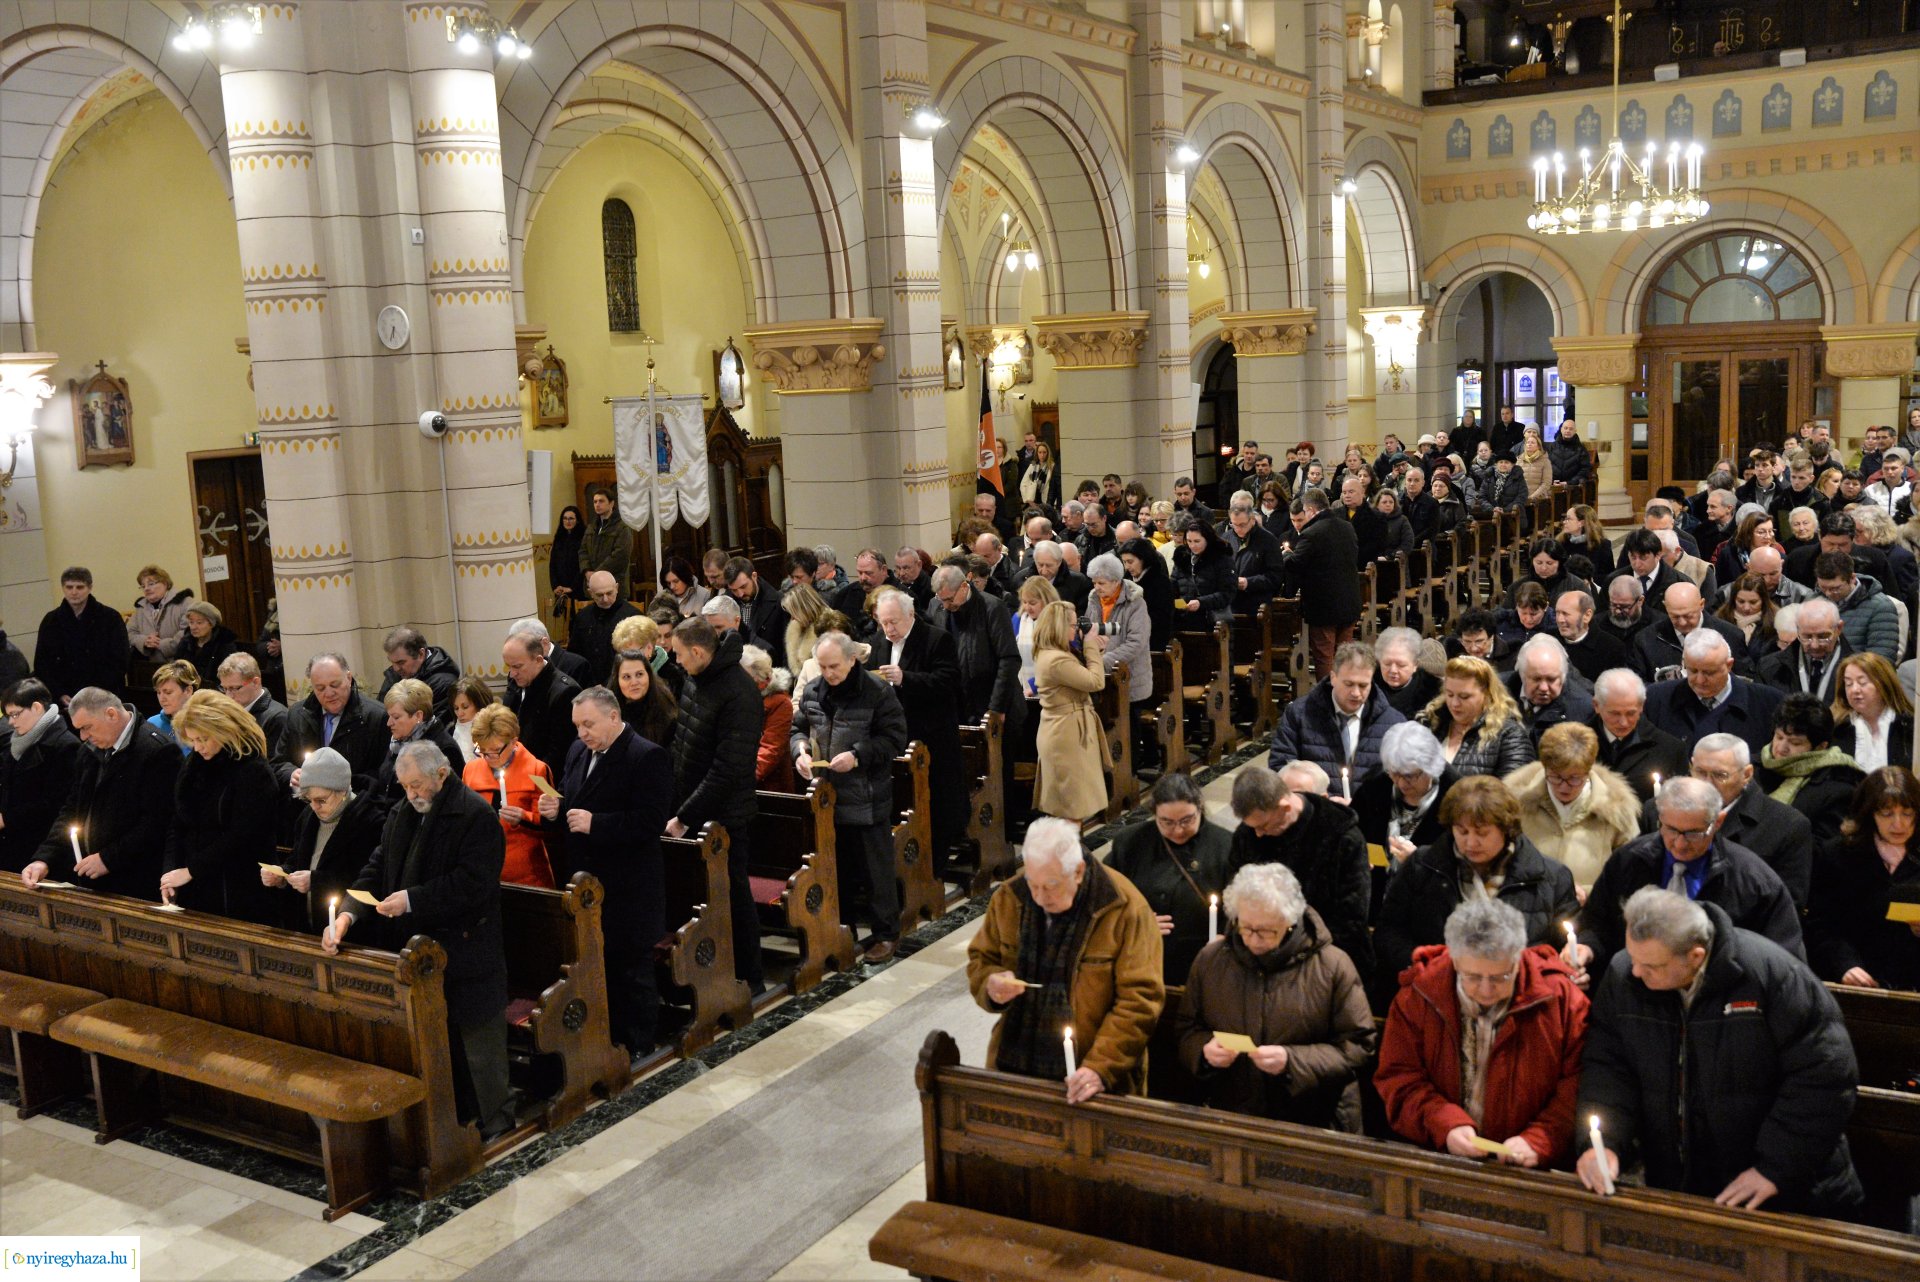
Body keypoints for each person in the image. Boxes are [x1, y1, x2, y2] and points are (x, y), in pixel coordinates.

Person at [1576, 888, 1862, 1217]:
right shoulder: (1624, 974)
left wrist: (1775, 1168)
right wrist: (1605, 1143)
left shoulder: (1773, 977)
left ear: (1696, 956)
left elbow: (1825, 1076)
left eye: (1651, 965)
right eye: (1633, 957)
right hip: (1677, 1185)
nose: (1636, 972)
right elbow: (1608, 1067)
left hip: (1785, 1192)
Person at [327, 742, 514, 1139]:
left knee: (475, 1048)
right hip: (417, 953)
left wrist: (412, 900)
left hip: (465, 952)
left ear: (442, 775)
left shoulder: (476, 817)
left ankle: (492, 1120)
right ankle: (448, 1121)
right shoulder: (402, 813)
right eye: (404, 785)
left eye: (417, 785)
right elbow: (378, 867)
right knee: (435, 1046)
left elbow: (472, 885)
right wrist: (347, 912)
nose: (411, 794)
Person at [1376, 898, 1588, 1169]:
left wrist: (1542, 1138)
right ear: (1454, 961)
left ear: (1519, 958)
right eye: (1473, 977)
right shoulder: (1419, 996)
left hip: (1530, 1169)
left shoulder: (1561, 1000)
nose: (1486, 991)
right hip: (1440, 1159)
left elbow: (1577, 1084)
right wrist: (1444, 1124)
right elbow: (1400, 1077)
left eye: (1501, 977)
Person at [967, 817, 1164, 1102]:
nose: (1038, 896)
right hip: (1014, 1065)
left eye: (1050, 885)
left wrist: (1100, 1067)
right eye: (1032, 884)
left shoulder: (1124, 909)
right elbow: (981, 959)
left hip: (1095, 1080)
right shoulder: (1011, 897)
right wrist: (990, 984)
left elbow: (1140, 1000)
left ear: (1079, 871)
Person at [530, 686, 676, 1059]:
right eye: (577, 725)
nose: (582, 733)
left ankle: (642, 1044)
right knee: (598, 965)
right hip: (585, 881)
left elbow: (651, 820)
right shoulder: (579, 750)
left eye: (588, 724)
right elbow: (570, 798)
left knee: (631, 969)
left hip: (628, 884)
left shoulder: (646, 756)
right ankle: (607, 1040)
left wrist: (599, 824)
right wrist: (555, 809)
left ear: (614, 717)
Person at [1177, 862, 1375, 1129]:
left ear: (1291, 923)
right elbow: (1186, 1029)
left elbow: (1358, 1046)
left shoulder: (1332, 965)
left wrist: (1292, 1061)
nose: (1254, 940)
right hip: (1233, 1115)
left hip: (1314, 1120)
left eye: (1268, 931)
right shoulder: (1211, 960)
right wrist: (1204, 1052)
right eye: (1246, 928)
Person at [1373, 775, 1579, 1002]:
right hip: (1434, 994)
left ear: (1506, 829)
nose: (1470, 843)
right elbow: (1388, 931)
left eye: (1482, 833)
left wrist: (1570, 963)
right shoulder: (1423, 865)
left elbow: (1565, 946)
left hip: (1519, 999)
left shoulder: (1551, 877)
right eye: (1462, 832)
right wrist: (1423, 963)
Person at [1577, 777, 1802, 977]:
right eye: (1671, 830)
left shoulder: (1753, 879)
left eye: (1694, 833)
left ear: (1719, 822)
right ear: (1660, 817)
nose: (1680, 844)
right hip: (1638, 991)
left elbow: (1783, 959)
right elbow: (1597, 922)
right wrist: (1587, 948)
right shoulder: (1629, 860)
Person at [793, 632, 910, 962]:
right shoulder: (814, 690)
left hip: (866, 795)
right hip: (826, 797)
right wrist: (799, 751)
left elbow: (894, 738)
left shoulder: (877, 692)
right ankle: (843, 930)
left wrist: (857, 756)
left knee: (876, 871)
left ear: (852, 660)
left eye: (835, 667)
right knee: (835, 869)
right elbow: (798, 728)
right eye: (824, 667)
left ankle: (887, 934)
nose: (829, 674)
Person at [666, 618, 766, 993]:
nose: (675, 661)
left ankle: (750, 976)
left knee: (733, 895)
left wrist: (684, 816)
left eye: (678, 653)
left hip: (726, 816)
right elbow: (686, 741)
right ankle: (710, 968)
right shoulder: (699, 677)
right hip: (693, 806)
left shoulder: (739, 693)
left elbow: (728, 768)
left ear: (697, 651)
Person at [22, 688, 179, 899]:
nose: (83, 736)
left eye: (87, 727)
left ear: (111, 714)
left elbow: (157, 822)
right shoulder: (89, 751)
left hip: (134, 881)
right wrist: (44, 858)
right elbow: (72, 809)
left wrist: (108, 858)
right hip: (90, 876)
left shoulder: (157, 751)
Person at [1226, 766, 1373, 976]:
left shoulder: (1341, 836)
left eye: (1264, 825)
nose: (1257, 834)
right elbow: (1237, 893)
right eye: (1252, 827)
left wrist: (1295, 951)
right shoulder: (1248, 833)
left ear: (1285, 807)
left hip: (1326, 961)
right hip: (1262, 957)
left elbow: (1351, 916)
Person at [157, 690, 280, 924]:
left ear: (224, 731)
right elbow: (178, 820)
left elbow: (241, 836)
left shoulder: (253, 771)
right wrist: (170, 871)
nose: (197, 747)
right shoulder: (195, 763)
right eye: (192, 740)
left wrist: (190, 870)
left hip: (239, 888)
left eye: (203, 739)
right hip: (197, 884)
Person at [1103, 772, 1233, 982]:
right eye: (1167, 822)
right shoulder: (1130, 843)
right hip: (1141, 956)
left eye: (1186, 820)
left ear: (1199, 808)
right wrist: (1134, 922)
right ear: (1154, 814)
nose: (1178, 830)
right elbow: (1105, 895)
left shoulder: (1225, 845)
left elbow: (1242, 907)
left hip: (1202, 959)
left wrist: (1225, 937)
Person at [867, 588, 967, 861]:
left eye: (893, 622)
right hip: (896, 738)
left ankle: (935, 865)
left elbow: (948, 683)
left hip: (931, 738)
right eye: (883, 622)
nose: (888, 629)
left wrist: (905, 678)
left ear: (910, 614)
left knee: (936, 805)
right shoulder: (880, 641)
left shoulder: (936, 639)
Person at [1807, 766, 1920, 991]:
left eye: (1907, 813)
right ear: (1869, 814)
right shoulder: (1837, 855)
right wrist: (1845, 965)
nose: (1899, 824)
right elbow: (1819, 924)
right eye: (1887, 814)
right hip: (1858, 982)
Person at [1503, 722, 1641, 895]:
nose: (1564, 787)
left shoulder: (1616, 809)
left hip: (1590, 911)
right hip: (1529, 906)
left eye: (1574, 779)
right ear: (1545, 768)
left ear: (1588, 771)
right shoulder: (1515, 802)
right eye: (1555, 777)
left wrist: (1590, 893)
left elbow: (1629, 870)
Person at [262, 746, 385, 933]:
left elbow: (364, 879)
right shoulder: (308, 816)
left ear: (343, 791)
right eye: (308, 799)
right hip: (306, 926)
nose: (314, 807)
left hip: (350, 931)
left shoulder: (370, 822)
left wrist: (316, 881)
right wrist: (283, 876)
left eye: (321, 800)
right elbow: (297, 859)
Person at [1269, 640, 1404, 783]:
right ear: (1333, 678)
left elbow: (1404, 779)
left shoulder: (1394, 722)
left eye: (1363, 685)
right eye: (1349, 684)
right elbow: (1280, 769)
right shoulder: (1299, 714)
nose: (1356, 693)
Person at [1641, 629, 1783, 760]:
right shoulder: (1656, 698)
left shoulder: (1768, 703)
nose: (1700, 680)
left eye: (1709, 672)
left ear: (1729, 665)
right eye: (1693, 671)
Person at [1028, 601, 1110, 823]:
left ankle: (1072, 853)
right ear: (1058, 626)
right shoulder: (1056, 659)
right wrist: (1091, 645)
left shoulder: (1057, 652)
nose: (1077, 630)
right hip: (1065, 735)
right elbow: (1095, 681)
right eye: (1073, 625)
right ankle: (1069, 854)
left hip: (1069, 728)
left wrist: (1092, 649)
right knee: (1070, 806)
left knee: (1074, 804)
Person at [462, 704, 557, 888]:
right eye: (482, 750)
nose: (488, 757)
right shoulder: (471, 770)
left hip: (526, 875)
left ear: (514, 742)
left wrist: (523, 817)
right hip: (482, 872)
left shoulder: (538, 771)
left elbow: (552, 827)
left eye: (495, 750)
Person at [925, 564, 1024, 736]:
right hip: (959, 706)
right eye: (941, 600)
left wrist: (996, 707)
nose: (946, 606)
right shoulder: (937, 607)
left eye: (949, 599)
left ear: (964, 586)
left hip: (992, 703)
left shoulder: (992, 608)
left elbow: (1008, 659)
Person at [1355, 721, 1461, 875]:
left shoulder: (1456, 800)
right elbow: (1354, 837)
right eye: (1394, 773)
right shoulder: (1374, 789)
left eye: (1409, 776)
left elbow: (1462, 862)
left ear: (1430, 768)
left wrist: (1421, 861)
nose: (1401, 783)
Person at [1758, 694, 1863, 848]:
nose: (1781, 748)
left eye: (1795, 743)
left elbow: (1822, 852)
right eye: (1779, 737)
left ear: (1820, 746)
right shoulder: (1752, 768)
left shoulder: (1839, 787)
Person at [0, 679, 81, 873]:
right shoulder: (17, 741)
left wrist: (7, 819)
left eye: (15, 714)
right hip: (11, 842)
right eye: (8, 716)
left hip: (40, 846)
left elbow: (56, 804)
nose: (11, 722)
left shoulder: (65, 746)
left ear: (36, 707)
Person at [1281, 489, 1362, 681]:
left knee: (1324, 655)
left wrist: (1286, 554)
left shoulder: (1311, 533)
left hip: (1324, 605)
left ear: (1310, 509)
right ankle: (1347, 691)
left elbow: (1295, 564)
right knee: (1344, 655)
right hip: (1349, 601)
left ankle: (1327, 697)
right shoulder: (1346, 527)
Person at [1418, 656, 1536, 778]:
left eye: (1464, 696)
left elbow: (1512, 793)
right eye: (1450, 694)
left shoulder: (1510, 736)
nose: (1454, 703)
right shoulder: (1431, 721)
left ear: (1487, 693)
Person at [285, 653, 391, 784]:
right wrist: (291, 773)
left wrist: (341, 783)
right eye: (320, 688)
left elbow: (383, 773)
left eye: (334, 685)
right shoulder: (298, 714)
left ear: (349, 678)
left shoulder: (377, 717)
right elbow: (279, 761)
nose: (329, 693)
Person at [1588, 667, 1688, 802]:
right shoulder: (1575, 744)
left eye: (1630, 713)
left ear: (1641, 706)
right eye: (1614, 713)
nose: (1623, 723)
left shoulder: (1670, 750)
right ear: (1596, 706)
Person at [34, 568, 130, 702]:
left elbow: (120, 661)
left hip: (104, 695)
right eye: (69, 587)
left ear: (90, 588)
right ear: (63, 588)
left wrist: (95, 693)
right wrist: (59, 693)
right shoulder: (50, 621)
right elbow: (42, 664)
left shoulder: (110, 618)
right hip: (65, 698)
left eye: (80, 587)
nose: (74, 592)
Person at [373, 678, 464, 811]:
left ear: (418, 716)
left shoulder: (443, 749)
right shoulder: (398, 742)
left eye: (396, 717)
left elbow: (445, 803)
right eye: (389, 716)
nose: (389, 723)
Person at [502, 625, 583, 771]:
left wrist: (528, 777)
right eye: (509, 666)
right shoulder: (516, 681)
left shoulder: (565, 692)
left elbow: (559, 753)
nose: (512, 673)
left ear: (538, 660)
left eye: (517, 666)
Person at [1831, 650, 1913, 772]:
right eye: (1848, 683)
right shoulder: (1837, 728)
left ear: (1883, 684)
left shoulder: (1909, 726)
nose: (1854, 690)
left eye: (1862, 682)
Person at [1756, 594, 1847, 702]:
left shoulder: (1860, 669)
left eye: (1823, 637)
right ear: (1797, 629)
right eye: (1807, 637)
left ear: (1839, 628)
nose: (1814, 645)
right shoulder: (1769, 667)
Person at [1506, 635, 1593, 748]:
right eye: (1536, 679)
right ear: (1522, 676)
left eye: (1551, 679)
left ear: (1563, 677)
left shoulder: (1583, 709)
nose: (1543, 687)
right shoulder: (1496, 693)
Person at [1813, 552, 1900, 663]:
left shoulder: (1880, 607)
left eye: (1835, 588)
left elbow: (1881, 661)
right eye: (1823, 588)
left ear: (1852, 578)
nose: (1828, 593)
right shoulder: (1814, 600)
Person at [567, 571, 639, 684]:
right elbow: (574, 654)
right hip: (589, 683)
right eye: (599, 595)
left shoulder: (633, 617)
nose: (605, 599)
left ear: (617, 588)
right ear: (590, 593)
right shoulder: (583, 617)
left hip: (622, 682)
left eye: (609, 593)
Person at [216, 652, 290, 762]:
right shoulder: (226, 711)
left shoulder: (278, 717)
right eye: (225, 689)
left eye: (234, 688)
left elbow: (274, 766)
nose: (228, 696)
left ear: (255, 682)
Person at [377, 627, 462, 719]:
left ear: (421, 654)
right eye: (392, 662)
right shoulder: (396, 674)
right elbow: (380, 714)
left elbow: (433, 726)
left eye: (401, 662)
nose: (395, 668)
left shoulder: (444, 682)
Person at [1553, 590, 1627, 684]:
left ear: (1587, 615)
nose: (1560, 619)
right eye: (1557, 613)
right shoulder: (1547, 640)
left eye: (1565, 614)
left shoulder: (1612, 648)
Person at [1171, 518, 1235, 625]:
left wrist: (1201, 602)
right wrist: (1173, 602)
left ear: (1207, 539)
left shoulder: (1222, 559)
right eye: (1189, 541)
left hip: (1212, 619)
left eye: (1197, 541)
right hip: (1184, 618)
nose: (1192, 546)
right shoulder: (1182, 557)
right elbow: (1173, 586)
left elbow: (1227, 593)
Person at [1117, 538, 1175, 653]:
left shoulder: (1160, 582)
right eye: (1124, 562)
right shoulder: (1125, 580)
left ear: (1143, 559)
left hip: (1153, 642)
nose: (1127, 567)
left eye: (1130, 561)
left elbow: (1162, 617)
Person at [126, 565, 194, 659]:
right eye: (143, 586)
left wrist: (163, 645)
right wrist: (144, 641)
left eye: (151, 584)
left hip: (179, 663)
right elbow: (129, 632)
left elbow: (189, 630)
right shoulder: (140, 608)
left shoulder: (184, 602)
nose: (146, 588)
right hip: (150, 666)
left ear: (165, 583)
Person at [1374, 627, 1440, 719]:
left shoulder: (1432, 690)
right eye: (1387, 663)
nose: (1393, 670)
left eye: (1401, 665)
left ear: (1415, 665)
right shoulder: (1367, 684)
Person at [578, 486, 631, 593]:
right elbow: (583, 551)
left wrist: (596, 574)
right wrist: (587, 571)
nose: (597, 504)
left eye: (601, 501)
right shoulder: (591, 527)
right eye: (595, 502)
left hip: (614, 586)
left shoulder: (622, 527)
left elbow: (620, 555)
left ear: (611, 504)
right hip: (593, 586)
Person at [172, 601, 240, 679]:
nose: (194, 627)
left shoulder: (224, 644)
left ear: (211, 624)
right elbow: (176, 670)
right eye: (191, 622)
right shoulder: (186, 642)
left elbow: (229, 675)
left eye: (199, 623)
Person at [147, 660, 200, 752]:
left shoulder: (204, 725)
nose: (162, 698)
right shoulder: (151, 723)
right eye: (158, 692)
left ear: (188, 691)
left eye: (168, 692)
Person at [547, 505, 586, 624]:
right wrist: (555, 586)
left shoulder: (583, 538)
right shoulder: (559, 538)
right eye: (565, 518)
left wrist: (572, 587)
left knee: (580, 621)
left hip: (578, 589)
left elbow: (583, 565)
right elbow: (552, 564)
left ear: (577, 520)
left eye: (571, 518)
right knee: (568, 623)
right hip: (561, 590)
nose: (567, 521)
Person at [448, 675, 495, 766]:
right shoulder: (452, 730)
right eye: (456, 708)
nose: (460, 713)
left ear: (479, 704)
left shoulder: (491, 729)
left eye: (465, 707)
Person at [660, 555, 710, 619]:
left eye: (676, 581)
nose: (672, 586)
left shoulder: (704, 596)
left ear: (685, 577)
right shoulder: (662, 598)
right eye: (669, 583)